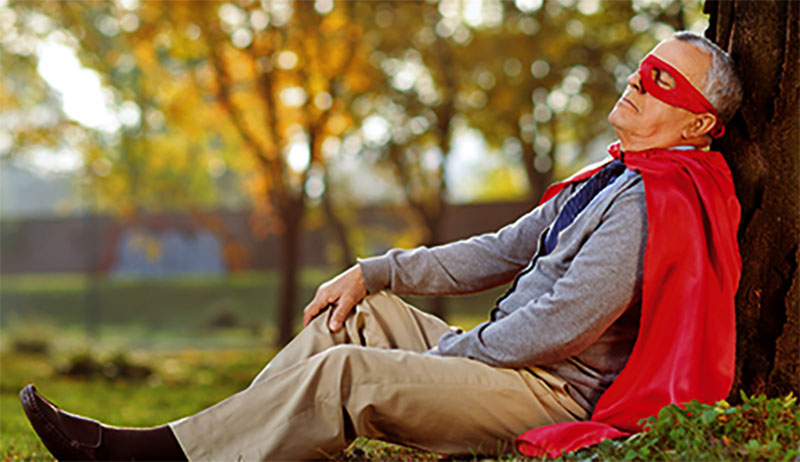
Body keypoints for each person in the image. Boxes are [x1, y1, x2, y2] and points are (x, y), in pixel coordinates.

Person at [20, 31, 743, 461]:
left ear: (699, 125)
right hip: (506, 360)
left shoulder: (654, 204)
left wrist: (446, 355)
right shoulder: (612, 176)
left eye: (661, 81)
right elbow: (499, 250)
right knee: (353, 317)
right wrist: (375, 272)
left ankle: (152, 456)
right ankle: (208, 442)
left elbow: (559, 327)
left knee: (348, 372)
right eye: (641, 68)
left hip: (547, 393)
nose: (637, 83)